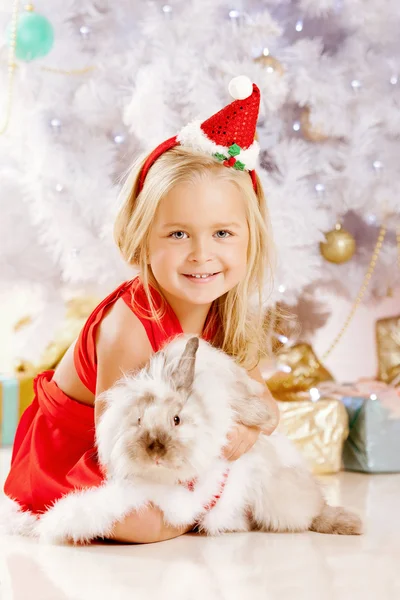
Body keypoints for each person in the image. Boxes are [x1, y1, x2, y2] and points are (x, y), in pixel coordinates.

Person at [3, 76, 280, 544]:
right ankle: (190, 506)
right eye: (177, 234)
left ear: (251, 239)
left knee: (258, 487)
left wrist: (251, 429)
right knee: (143, 524)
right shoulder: (129, 327)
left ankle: (198, 500)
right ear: (142, 238)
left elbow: (266, 407)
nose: (201, 254)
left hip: (171, 449)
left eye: (222, 234)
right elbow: (116, 450)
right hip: (85, 452)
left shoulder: (228, 314)